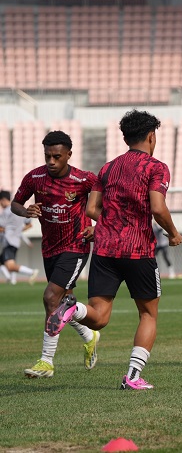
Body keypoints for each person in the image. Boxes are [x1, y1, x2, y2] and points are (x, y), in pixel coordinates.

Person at [45, 110, 182, 391]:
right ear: (151, 136)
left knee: (99, 317)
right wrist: (173, 232)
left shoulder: (107, 168)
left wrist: (110, 225)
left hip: (105, 249)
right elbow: (157, 208)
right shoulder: (156, 167)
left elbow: (91, 209)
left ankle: (73, 308)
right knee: (148, 314)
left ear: (125, 137)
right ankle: (132, 376)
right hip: (138, 251)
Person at [12, 131, 99, 378]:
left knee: (50, 297)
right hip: (49, 248)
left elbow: (108, 203)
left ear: (68, 155)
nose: (51, 161)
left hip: (76, 246)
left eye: (57, 156)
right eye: (48, 156)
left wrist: (97, 227)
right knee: (63, 305)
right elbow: (16, 203)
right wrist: (26, 211)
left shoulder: (84, 180)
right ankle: (89, 335)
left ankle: (46, 361)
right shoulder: (35, 177)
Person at [0, 190, 39, 284]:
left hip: (9, 240)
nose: (0, 204)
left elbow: (1, 227)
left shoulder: (6, 212)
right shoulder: (19, 210)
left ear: (4, 200)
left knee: (10, 266)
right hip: (15, 241)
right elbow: (29, 225)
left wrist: (10, 230)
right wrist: (17, 230)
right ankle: (11, 279)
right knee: (3, 261)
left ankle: (31, 272)